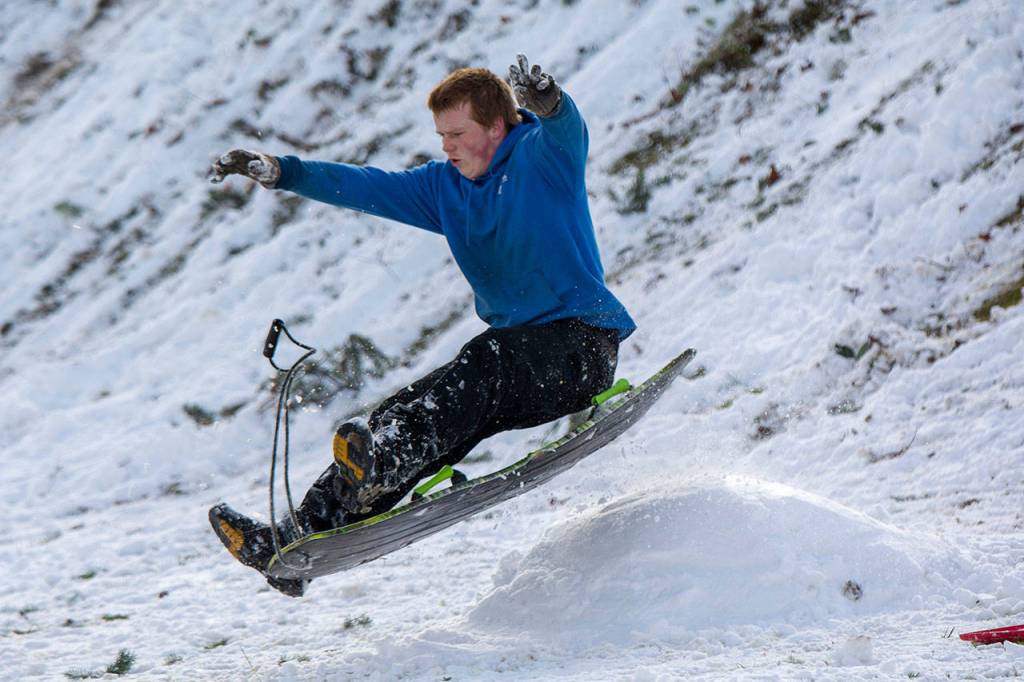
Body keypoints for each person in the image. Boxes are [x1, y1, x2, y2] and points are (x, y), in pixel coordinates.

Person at [208, 55, 636, 597]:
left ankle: (387, 461)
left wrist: (549, 99)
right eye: (441, 135)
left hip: (579, 350)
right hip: (512, 362)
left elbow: (567, 128)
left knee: (477, 369)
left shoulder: (540, 159)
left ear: (497, 126)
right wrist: (282, 170)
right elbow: (364, 185)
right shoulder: (444, 188)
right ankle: (297, 539)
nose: (446, 146)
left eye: (457, 133)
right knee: (392, 417)